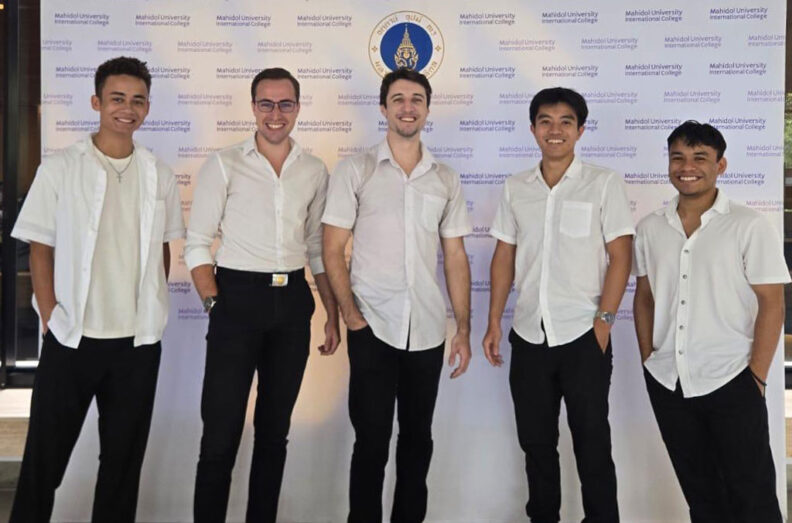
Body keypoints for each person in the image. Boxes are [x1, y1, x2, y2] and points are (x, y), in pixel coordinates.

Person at [9, 56, 184, 522]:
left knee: (123, 467)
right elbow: (39, 246)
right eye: (117, 98)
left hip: (137, 344)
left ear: (147, 108)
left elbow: (163, 253)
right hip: (73, 337)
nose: (127, 108)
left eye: (137, 100)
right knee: (44, 461)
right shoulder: (62, 167)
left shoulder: (158, 173)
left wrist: (149, 306)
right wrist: (52, 316)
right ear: (97, 102)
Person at [186, 67, 339, 523]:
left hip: (291, 303)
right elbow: (197, 242)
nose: (276, 114)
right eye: (267, 104)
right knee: (221, 432)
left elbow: (316, 248)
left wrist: (332, 312)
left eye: (285, 103)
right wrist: (216, 304)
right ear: (253, 107)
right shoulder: (222, 163)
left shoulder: (313, 169)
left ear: (298, 107)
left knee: (274, 434)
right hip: (236, 299)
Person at [322, 67, 472, 522]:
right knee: (370, 442)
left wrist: (462, 328)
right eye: (399, 99)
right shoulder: (356, 169)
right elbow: (331, 247)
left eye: (417, 99)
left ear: (428, 108)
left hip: (426, 330)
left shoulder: (444, 177)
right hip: (372, 325)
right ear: (383, 107)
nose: (408, 107)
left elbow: (456, 256)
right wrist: (349, 314)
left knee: (417, 441)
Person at [483, 87, 633, 523]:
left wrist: (603, 324)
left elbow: (621, 255)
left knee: (592, 442)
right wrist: (494, 321)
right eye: (545, 121)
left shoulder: (603, 183)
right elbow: (504, 257)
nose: (555, 130)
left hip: (583, 335)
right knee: (535, 443)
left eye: (566, 121)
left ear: (580, 130)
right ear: (532, 129)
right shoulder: (515, 188)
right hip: (529, 334)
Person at [633, 121, 787, 523]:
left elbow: (772, 302)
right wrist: (649, 358)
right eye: (678, 157)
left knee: (752, 495)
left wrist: (756, 375)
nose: (688, 167)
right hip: (669, 381)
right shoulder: (650, 228)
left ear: (721, 165)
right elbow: (645, 297)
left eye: (700, 157)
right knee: (701, 495)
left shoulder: (748, 225)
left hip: (732, 377)